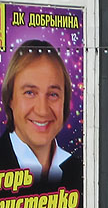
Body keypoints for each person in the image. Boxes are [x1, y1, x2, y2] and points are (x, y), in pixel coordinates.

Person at [0, 40, 81, 185]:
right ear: (10, 98)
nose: (42, 110)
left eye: (53, 94)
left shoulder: (80, 171)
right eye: (30, 92)